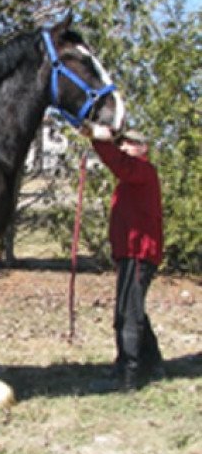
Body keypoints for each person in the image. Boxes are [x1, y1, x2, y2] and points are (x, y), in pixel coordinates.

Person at [86, 128, 165, 391]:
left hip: (140, 252)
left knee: (127, 313)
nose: (124, 148)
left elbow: (118, 164)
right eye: (122, 144)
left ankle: (128, 375)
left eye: (130, 144)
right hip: (131, 253)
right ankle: (153, 364)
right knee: (133, 308)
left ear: (144, 148)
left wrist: (97, 138)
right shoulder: (133, 177)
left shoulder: (143, 171)